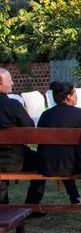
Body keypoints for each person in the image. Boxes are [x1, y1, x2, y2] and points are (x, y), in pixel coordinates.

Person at [29, 82, 81, 205]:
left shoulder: (45, 115)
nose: (77, 96)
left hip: (45, 164)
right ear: (68, 96)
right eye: (75, 93)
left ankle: (73, 197)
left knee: (64, 156)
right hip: (72, 165)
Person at [0, 68, 42, 206]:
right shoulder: (12, 105)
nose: (12, 82)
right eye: (9, 80)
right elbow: (30, 130)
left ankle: (3, 206)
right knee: (44, 162)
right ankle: (32, 204)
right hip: (14, 160)